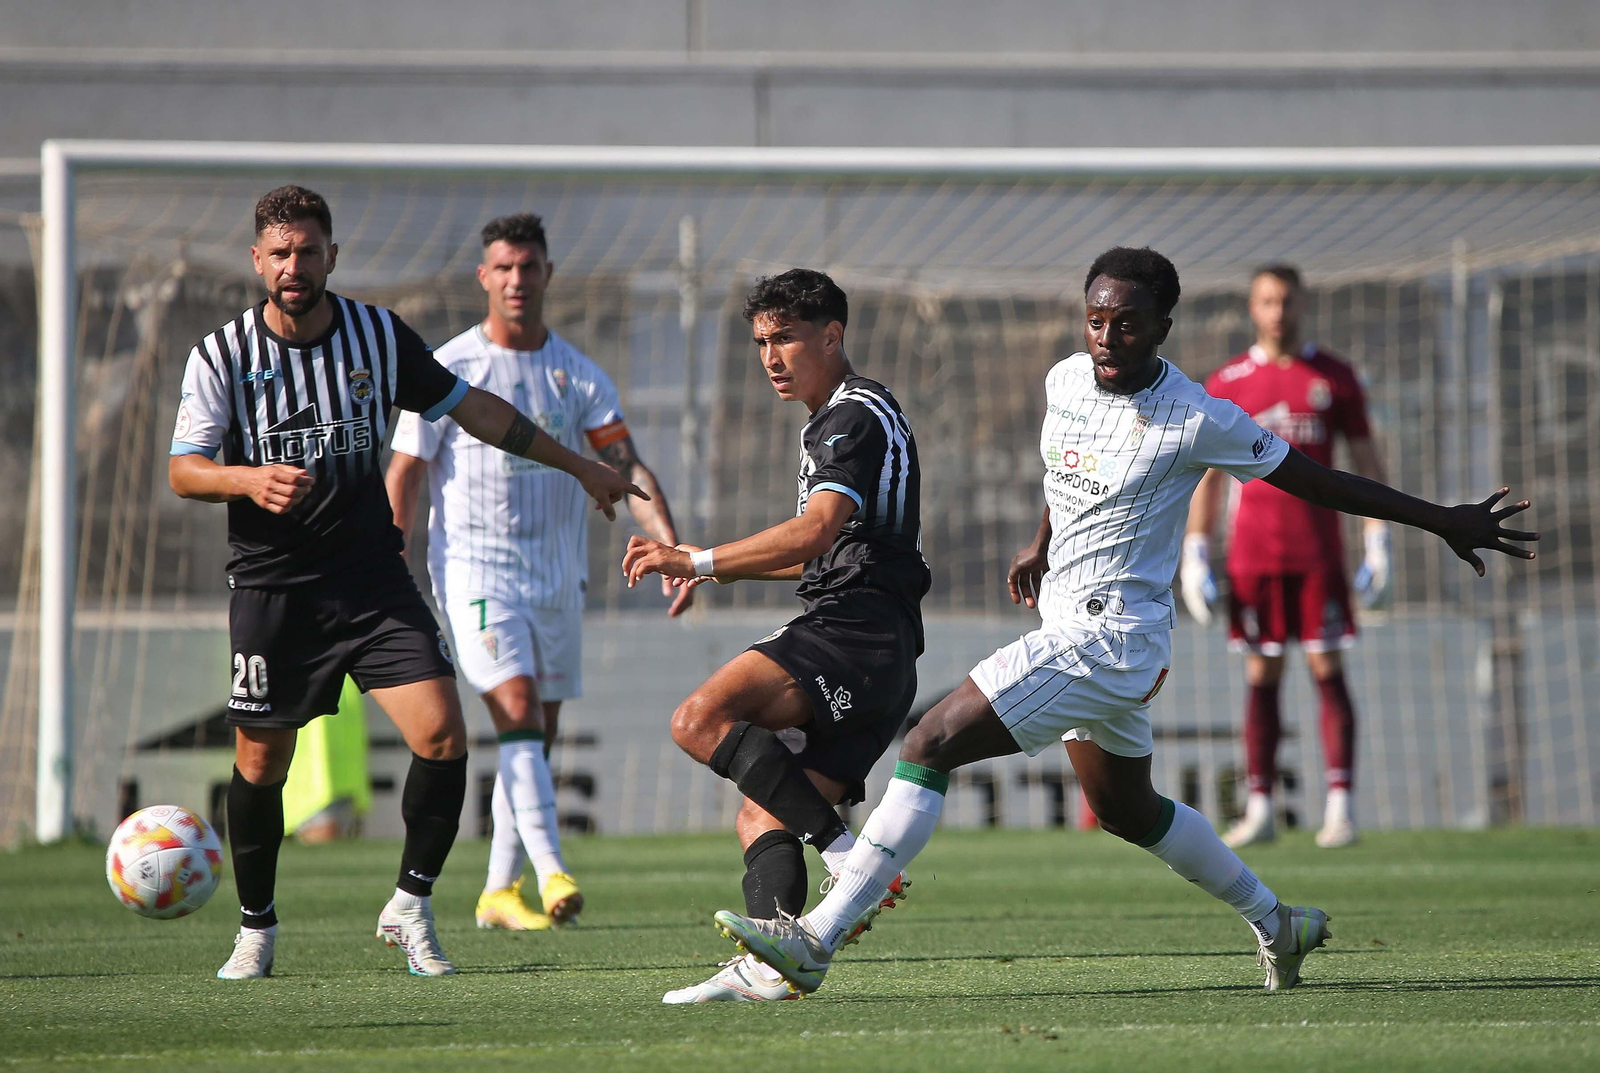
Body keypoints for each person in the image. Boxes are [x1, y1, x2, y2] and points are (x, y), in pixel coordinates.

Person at [711, 247, 1537, 996]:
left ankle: (816, 937)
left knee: (928, 743)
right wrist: (1040, 541)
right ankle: (1278, 920)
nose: (1107, 335)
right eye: (1096, 318)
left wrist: (1441, 520)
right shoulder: (1065, 380)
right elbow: (1069, 467)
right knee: (1127, 811)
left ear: (1162, 328)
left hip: (1108, 638)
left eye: (1126, 322)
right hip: (1085, 631)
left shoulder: (1197, 417)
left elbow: (1317, 480)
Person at [168, 185, 642, 980]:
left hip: (370, 581)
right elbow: (185, 470)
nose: (294, 265)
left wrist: (578, 464)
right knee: (260, 766)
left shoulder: (375, 336)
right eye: (279, 253)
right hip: (273, 587)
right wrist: (246, 481)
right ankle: (256, 927)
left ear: (331, 256)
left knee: (443, 736)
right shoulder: (222, 355)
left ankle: (412, 905)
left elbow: (479, 412)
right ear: (258, 261)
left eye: (308, 250)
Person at [622, 269, 927, 1002]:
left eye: (786, 337)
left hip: (853, 631)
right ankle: (772, 968)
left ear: (832, 335)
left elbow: (816, 530)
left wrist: (691, 556)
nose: (771, 355)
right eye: (761, 340)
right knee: (763, 812)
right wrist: (710, 574)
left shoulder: (851, 415)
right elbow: (809, 551)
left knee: (698, 719)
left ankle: (853, 857)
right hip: (879, 649)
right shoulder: (837, 419)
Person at [386, 213, 690, 931]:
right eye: (505, 268)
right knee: (516, 712)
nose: (518, 280)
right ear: (484, 278)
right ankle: (553, 870)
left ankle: (498, 889)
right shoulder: (449, 367)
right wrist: (389, 563)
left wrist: (672, 545)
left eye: (529, 267)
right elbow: (404, 472)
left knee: (535, 736)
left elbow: (623, 463)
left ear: (547, 275)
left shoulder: (578, 374)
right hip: (474, 571)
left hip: (556, 577)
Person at [1182, 265, 1388, 849]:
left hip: (1319, 554)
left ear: (1302, 304)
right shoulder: (1229, 382)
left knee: (1328, 669)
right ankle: (1261, 806)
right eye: (1267, 301)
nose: (1278, 311)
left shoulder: (1334, 377)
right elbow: (1208, 479)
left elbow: (1367, 463)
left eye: (1287, 300)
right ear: (1253, 307)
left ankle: (1341, 807)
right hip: (1253, 557)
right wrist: (1196, 554)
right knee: (1261, 673)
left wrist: (1379, 539)